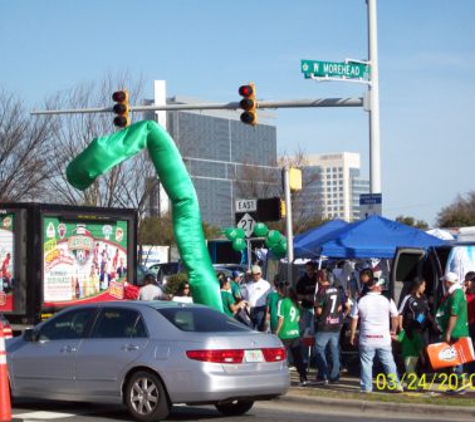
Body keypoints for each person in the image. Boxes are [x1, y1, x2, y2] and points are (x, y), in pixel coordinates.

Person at [350, 277, 402, 393]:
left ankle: (367, 387)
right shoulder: (387, 299)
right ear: (375, 287)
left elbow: (354, 318)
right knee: (388, 361)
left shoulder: (360, 300)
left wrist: (353, 334)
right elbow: (395, 315)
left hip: (367, 338)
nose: (382, 287)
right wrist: (393, 330)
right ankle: (395, 385)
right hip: (383, 338)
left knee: (367, 363)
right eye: (381, 285)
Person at [436, 272, 470, 390]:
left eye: (445, 282)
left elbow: (453, 315)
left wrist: (448, 333)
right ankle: (456, 384)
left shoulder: (456, 294)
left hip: (456, 332)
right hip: (456, 331)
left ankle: (460, 384)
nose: (444, 284)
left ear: (447, 282)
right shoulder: (454, 293)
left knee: (456, 359)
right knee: (454, 359)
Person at [397, 277, 435, 381]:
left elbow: (427, 313)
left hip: (424, 330)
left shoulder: (424, 298)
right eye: (423, 285)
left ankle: (421, 373)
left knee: (424, 351)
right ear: (418, 286)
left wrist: (433, 322)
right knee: (413, 353)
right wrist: (400, 327)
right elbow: (400, 313)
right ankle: (413, 375)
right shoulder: (408, 298)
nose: (425, 288)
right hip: (412, 330)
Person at [314, 275, 347, 384]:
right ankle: (335, 376)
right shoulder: (338, 290)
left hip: (324, 325)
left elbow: (318, 311)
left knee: (319, 349)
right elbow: (343, 306)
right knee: (334, 350)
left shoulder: (322, 291)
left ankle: (323, 374)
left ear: (320, 279)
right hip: (336, 324)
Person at [276, 287, 309, 386]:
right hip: (295, 332)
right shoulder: (295, 303)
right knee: (297, 357)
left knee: (281, 357)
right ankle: (303, 378)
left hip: (285, 334)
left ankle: (280, 378)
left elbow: (281, 318)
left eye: (280, 290)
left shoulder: (282, 302)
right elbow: (298, 318)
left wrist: (277, 331)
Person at [242, 265, 271, 331]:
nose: (257, 275)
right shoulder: (248, 285)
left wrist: (268, 313)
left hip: (261, 309)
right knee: (250, 329)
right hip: (251, 310)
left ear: (261, 273)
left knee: (260, 329)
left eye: (259, 273)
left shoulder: (266, 284)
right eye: (255, 274)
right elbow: (246, 298)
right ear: (252, 274)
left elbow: (269, 299)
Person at [296, 262, 318, 336]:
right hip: (306, 307)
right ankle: (304, 344)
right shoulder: (302, 281)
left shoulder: (318, 279)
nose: (309, 271)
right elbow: (297, 295)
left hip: (317, 308)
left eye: (311, 269)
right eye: (307, 269)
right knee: (306, 328)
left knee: (315, 328)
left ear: (314, 269)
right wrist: (306, 297)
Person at [464, 272, 475, 379]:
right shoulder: (464, 295)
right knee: (470, 351)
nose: (466, 283)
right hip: (468, 326)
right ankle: (471, 375)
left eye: (468, 280)